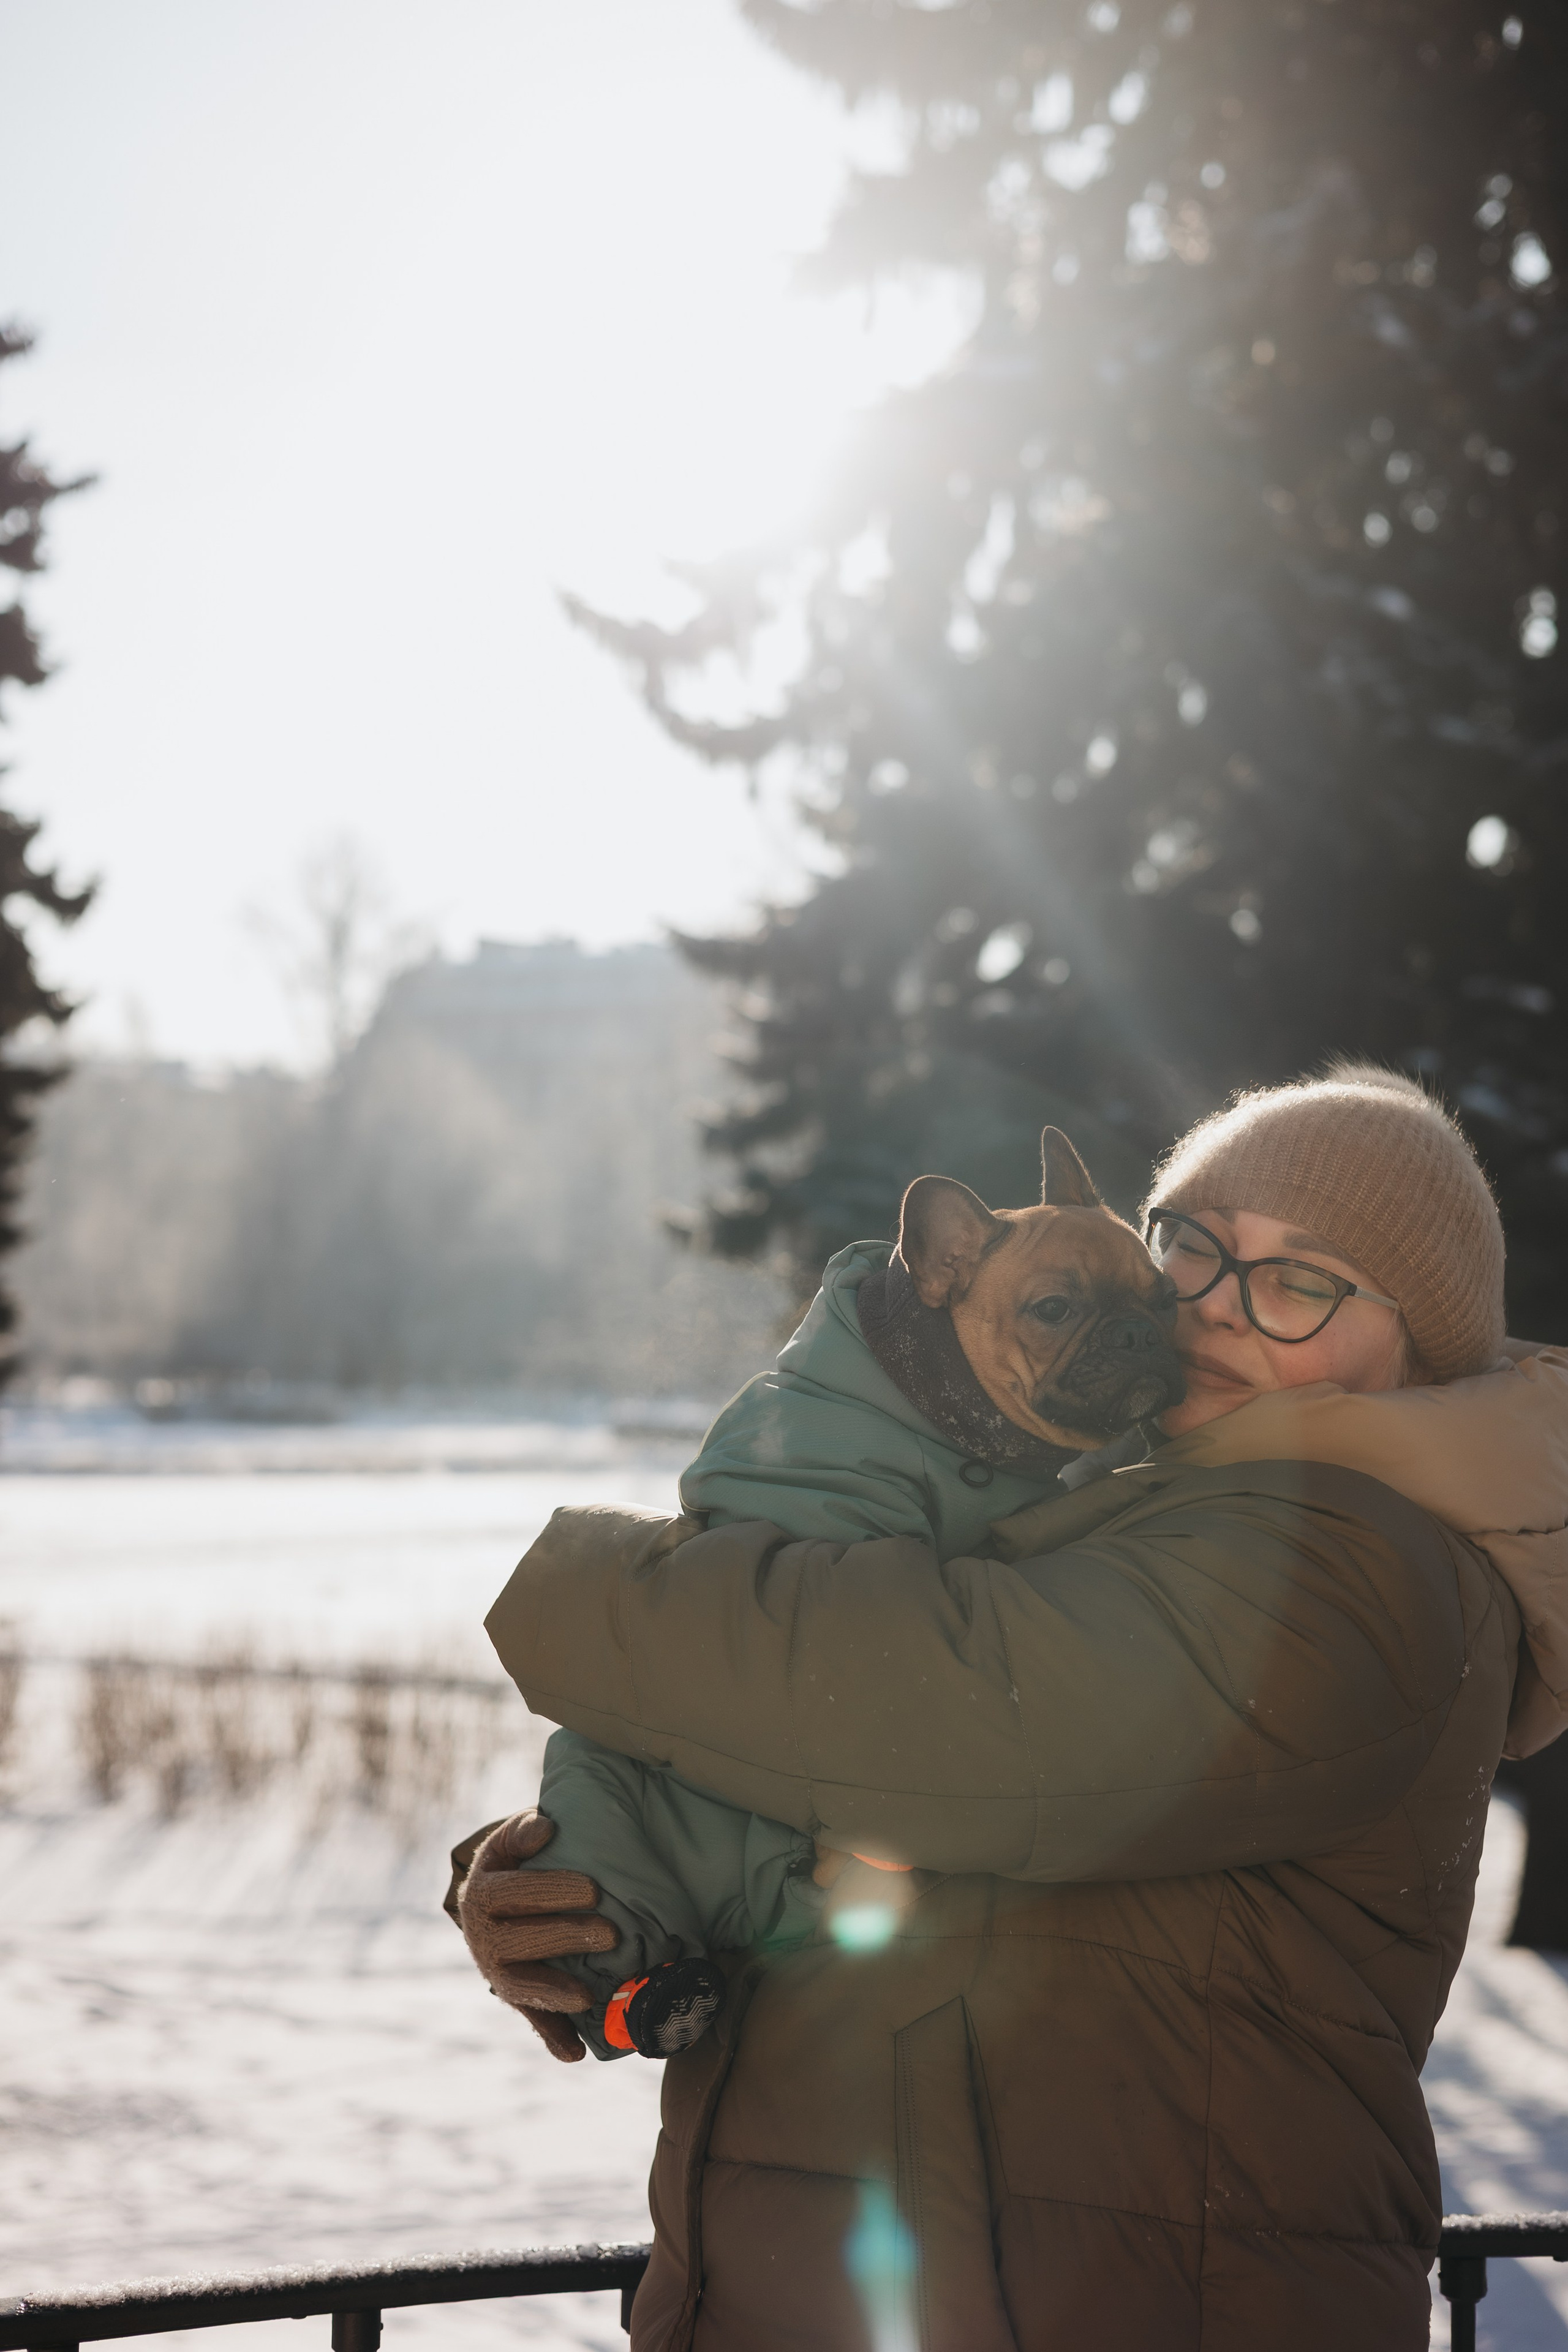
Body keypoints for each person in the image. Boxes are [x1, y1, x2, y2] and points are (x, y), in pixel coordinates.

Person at [455, 1066, 1568, 2351]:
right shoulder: (1127, 1504)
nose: (1210, 1309)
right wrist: (585, 1878)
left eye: (1297, 1281)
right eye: (1189, 1251)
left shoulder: (1360, 1562)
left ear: (1416, 1343)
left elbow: (935, 1719)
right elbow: (834, 1803)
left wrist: (574, 1592)